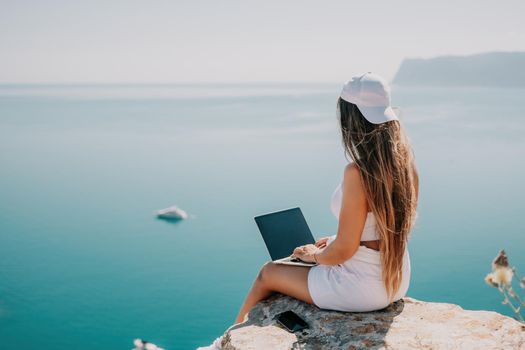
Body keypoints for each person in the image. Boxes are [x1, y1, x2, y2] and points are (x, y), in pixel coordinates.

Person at [197, 72, 419, 350]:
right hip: (395, 281)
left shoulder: (357, 173)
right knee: (294, 262)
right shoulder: (404, 167)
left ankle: (226, 343)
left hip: (361, 289)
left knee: (268, 273)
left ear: (351, 118)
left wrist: (315, 255)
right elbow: (384, 230)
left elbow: (345, 252)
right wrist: (337, 240)